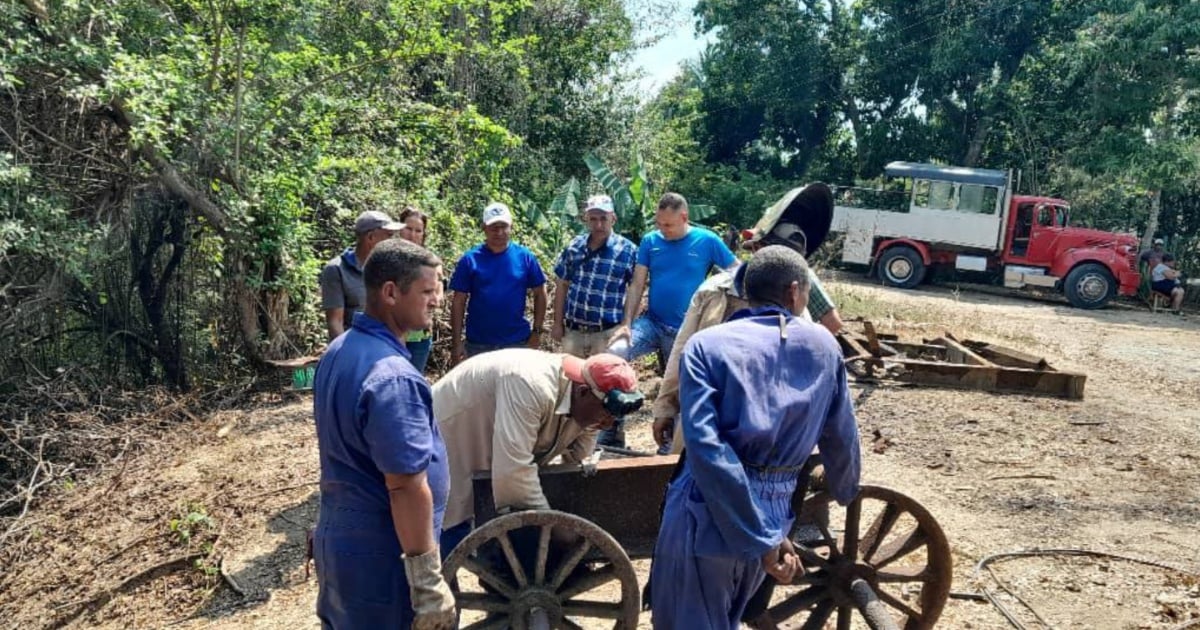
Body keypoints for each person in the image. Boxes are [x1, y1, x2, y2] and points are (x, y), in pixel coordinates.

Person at [649, 245, 862, 629]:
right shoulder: (827, 348)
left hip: (707, 511)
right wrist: (845, 490)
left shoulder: (707, 346)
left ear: (745, 291)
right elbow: (842, 435)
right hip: (777, 509)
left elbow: (706, 448)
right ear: (795, 292)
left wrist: (759, 537)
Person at [311, 238, 455, 629]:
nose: (437, 300)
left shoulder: (339, 350)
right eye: (427, 290)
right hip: (383, 562)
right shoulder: (392, 377)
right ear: (391, 292)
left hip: (342, 547)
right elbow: (405, 486)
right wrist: (425, 583)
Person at [652, 184, 844, 456]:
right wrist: (665, 408)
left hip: (764, 437)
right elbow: (682, 353)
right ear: (757, 249)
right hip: (704, 425)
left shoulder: (801, 309)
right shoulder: (714, 292)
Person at [433, 349, 642, 554]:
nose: (608, 425)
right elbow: (514, 471)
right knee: (449, 518)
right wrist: (555, 526)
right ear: (583, 392)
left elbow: (577, 463)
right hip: (448, 431)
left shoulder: (590, 393)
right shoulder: (529, 385)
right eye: (606, 413)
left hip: (492, 440)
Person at [604, 192, 737, 446]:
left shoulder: (707, 241)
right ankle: (611, 428)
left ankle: (669, 448)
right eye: (658, 223)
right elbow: (637, 284)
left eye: (668, 224)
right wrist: (626, 324)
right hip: (652, 322)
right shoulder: (650, 241)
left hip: (686, 331)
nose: (662, 229)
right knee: (614, 355)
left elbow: (737, 273)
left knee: (680, 387)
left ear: (684, 217)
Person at [449, 202, 548, 365]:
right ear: (484, 228)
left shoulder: (525, 257)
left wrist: (537, 332)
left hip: (517, 342)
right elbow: (458, 301)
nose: (499, 232)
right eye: (494, 227)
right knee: (480, 390)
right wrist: (457, 343)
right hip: (478, 343)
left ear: (511, 227)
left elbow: (540, 292)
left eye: (504, 226)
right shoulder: (470, 260)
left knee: (515, 390)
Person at [551, 194, 638, 358]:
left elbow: (635, 289)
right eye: (593, 219)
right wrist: (557, 323)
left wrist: (626, 323)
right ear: (586, 220)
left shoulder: (628, 251)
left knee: (603, 381)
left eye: (603, 218)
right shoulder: (574, 246)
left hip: (607, 333)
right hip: (573, 331)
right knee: (571, 380)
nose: (598, 224)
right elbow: (561, 284)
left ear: (613, 218)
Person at [319, 210, 403, 341]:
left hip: (383, 344)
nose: (392, 242)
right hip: (354, 345)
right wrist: (347, 355)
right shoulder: (336, 269)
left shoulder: (387, 268)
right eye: (388, 236)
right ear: (370, 238)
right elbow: (335, 322)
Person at [397, 206, 435, 372]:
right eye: (408, 229)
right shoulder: (387, 257)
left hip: (420, 335)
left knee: (413, 382)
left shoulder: (430, 261)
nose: (412, 235)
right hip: (393, 332)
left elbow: (436, 293)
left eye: (418, 231)